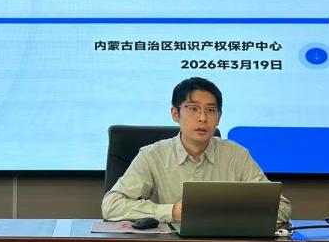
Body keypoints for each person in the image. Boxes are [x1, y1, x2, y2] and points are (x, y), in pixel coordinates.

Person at [101, 77, 291, 225]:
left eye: (211, 110)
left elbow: (281, 208)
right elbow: (111, 205)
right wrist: (172, 212)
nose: (202, 118)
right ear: (175, 113)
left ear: (219, 117)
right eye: (193, 108)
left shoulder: (237, 155)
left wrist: (228, 213)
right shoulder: (152, 155)